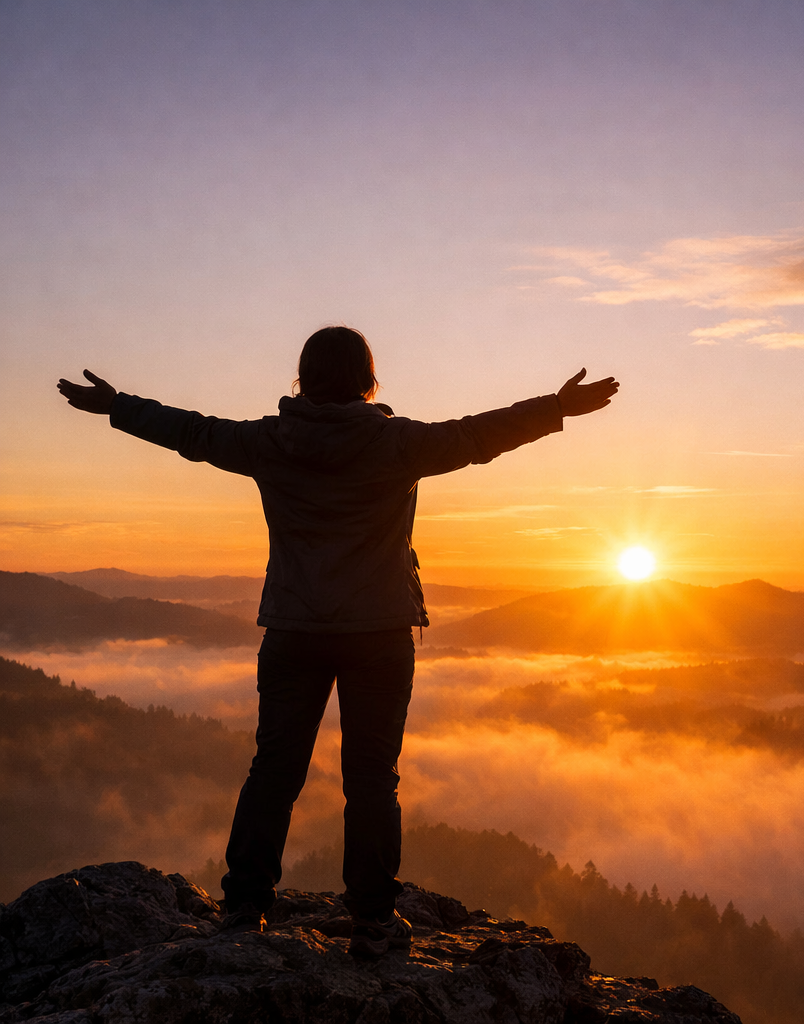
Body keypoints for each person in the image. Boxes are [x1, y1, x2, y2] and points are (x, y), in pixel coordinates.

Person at [57, 325, 619, 955]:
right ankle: (374, 921)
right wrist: (556, 408)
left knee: (274, 769)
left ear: (303, 377)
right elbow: (476, 437)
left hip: (294, 628)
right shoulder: (396, 443)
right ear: (367, 378)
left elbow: (192, 431)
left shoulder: (268, 441)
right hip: (378, 631)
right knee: (373, 779)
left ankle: (244, 908)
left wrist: (116, 406)